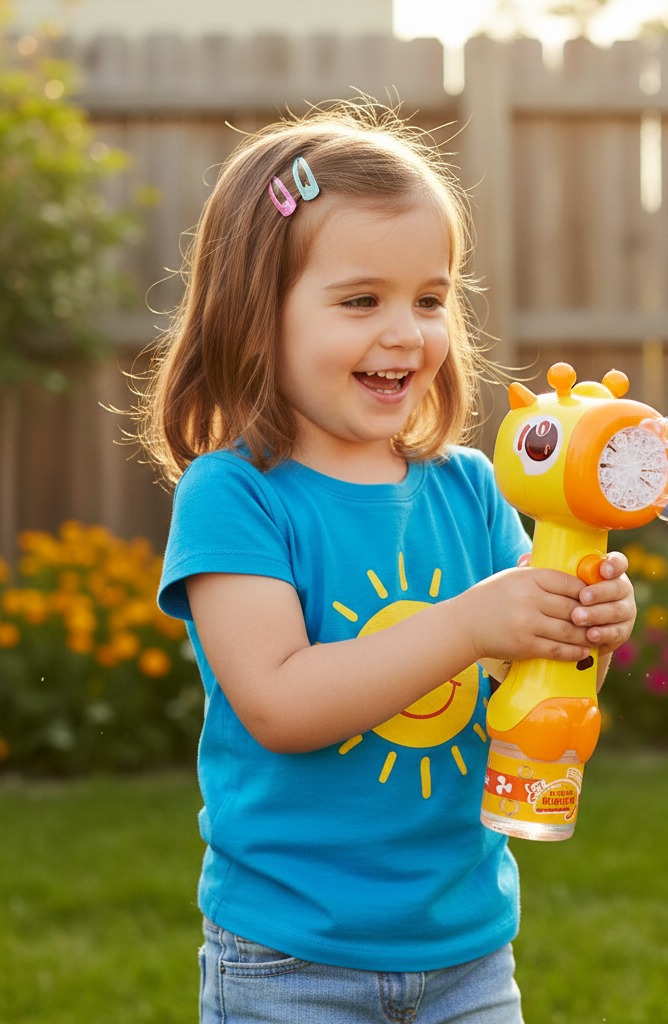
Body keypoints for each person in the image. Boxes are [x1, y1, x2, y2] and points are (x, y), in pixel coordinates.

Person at [135, 101, 637, 1024]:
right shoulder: (236, 496)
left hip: (468, 949)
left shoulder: (471, 489)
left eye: (431, 298)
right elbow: (281, 704)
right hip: (291, 959)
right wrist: (472, 619)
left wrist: (582, 629)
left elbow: (521, 676)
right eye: (362, 300)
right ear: (257, 318)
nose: (406, 332)